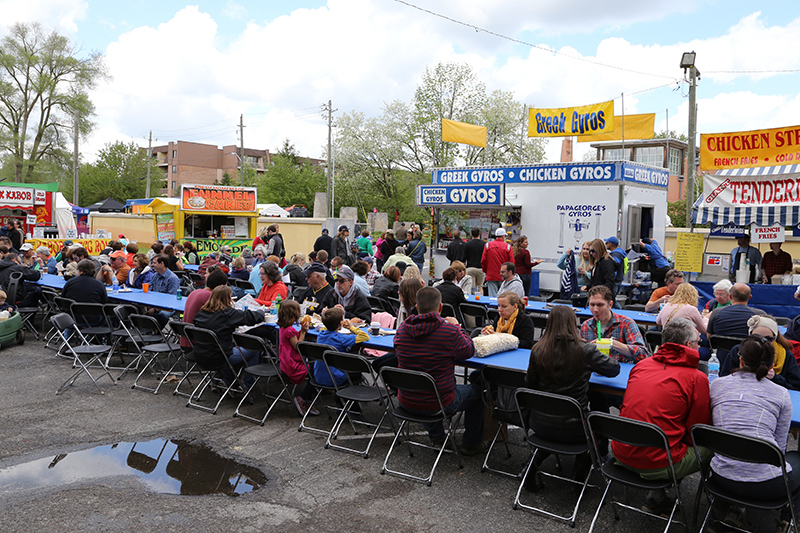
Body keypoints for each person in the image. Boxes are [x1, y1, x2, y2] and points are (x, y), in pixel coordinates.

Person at [612, 317, 712, 515]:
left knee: (658, 432)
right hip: (657, 462)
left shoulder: (641, 366)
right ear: (689, 345)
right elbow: (696, 430)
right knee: (712, 446)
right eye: (699, 342)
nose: (700, 346)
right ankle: (722, 511)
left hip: (620, 451)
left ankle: (656, 496)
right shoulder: (697, 378)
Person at [709, 336, 798, 532]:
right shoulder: (781, 394)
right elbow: (780, 448)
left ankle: (731, 510)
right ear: (772, 364)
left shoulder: (716, 385)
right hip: (766, 486)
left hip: (720, 477)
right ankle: (786, 518)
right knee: (796, 458)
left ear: (740, 360)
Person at [524, 305, 620, 484]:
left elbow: (529, 385)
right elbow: (614, 370)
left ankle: (531, 466)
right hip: (575, 429)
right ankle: (579, 474)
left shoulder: (538, 349)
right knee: (599, 421)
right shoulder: (584, 350)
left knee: (559, 421)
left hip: (540, 424)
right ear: (572, 323)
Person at [394, 287, 485, 455]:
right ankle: (471, 444)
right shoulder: (449, 332)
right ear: (440, 307)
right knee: (479, 394)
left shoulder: (401, 330)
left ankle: (437, 437)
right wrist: (457, 326)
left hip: (406, 399)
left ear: (418, 306)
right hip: (438, 402)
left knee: (425, 384)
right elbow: (468, 351)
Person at [193, 285, 264, 389]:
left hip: (200, 355)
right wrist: (261, 312)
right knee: (254, 350)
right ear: (228, 299)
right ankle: (248, 386)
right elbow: (253, 317)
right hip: (219, 357)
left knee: (233, 349)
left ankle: (228, 380)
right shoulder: (228, 314)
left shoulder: (201, 313)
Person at [720, 315, 800, 391]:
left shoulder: (786, 356)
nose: (761, 342)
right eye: (756, 337)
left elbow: (796, 388)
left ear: (774, 338)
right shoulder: (738, 350)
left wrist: (775, 378)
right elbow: (724, 379)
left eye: (768, 339)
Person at [580, 285, 649, 363]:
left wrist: (612, 343)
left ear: (610, 305)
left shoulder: (626, 323)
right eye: (592, 305)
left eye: (600, 305)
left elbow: (642, 354)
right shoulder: (585, 326)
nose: (595, 310)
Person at [277, 300, 318, 416]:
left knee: (314, 369)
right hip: (292, 365)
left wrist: (300, 331)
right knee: (315, 372)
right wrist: (303, 332)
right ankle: (304, 399)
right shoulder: (290, 330)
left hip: (285, 361)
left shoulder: (283, 328)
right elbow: (298, 346)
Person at [315, 306, 370, 387]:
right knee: (357, 370)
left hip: (318, 376)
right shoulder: (341, 338)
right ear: (341, 323)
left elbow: (325, 327)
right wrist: (352, 327)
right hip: (336, 378)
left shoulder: (321, 334)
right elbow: (365, 337)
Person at [180, 269, 228, 350]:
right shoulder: (210, 297)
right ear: (221, 287)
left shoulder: (195, 292)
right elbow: (223, 317)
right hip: (198, 344)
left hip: (186, 339)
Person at [481, 228, 514, 297]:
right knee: (504, 296)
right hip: (504, 276)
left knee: (492, 297)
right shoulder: (508, 247)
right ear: (503, 236)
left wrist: (486, 271)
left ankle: (493, 308)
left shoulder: (488, 245)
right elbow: (512, 263)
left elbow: (483, 261)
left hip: (491, 275)